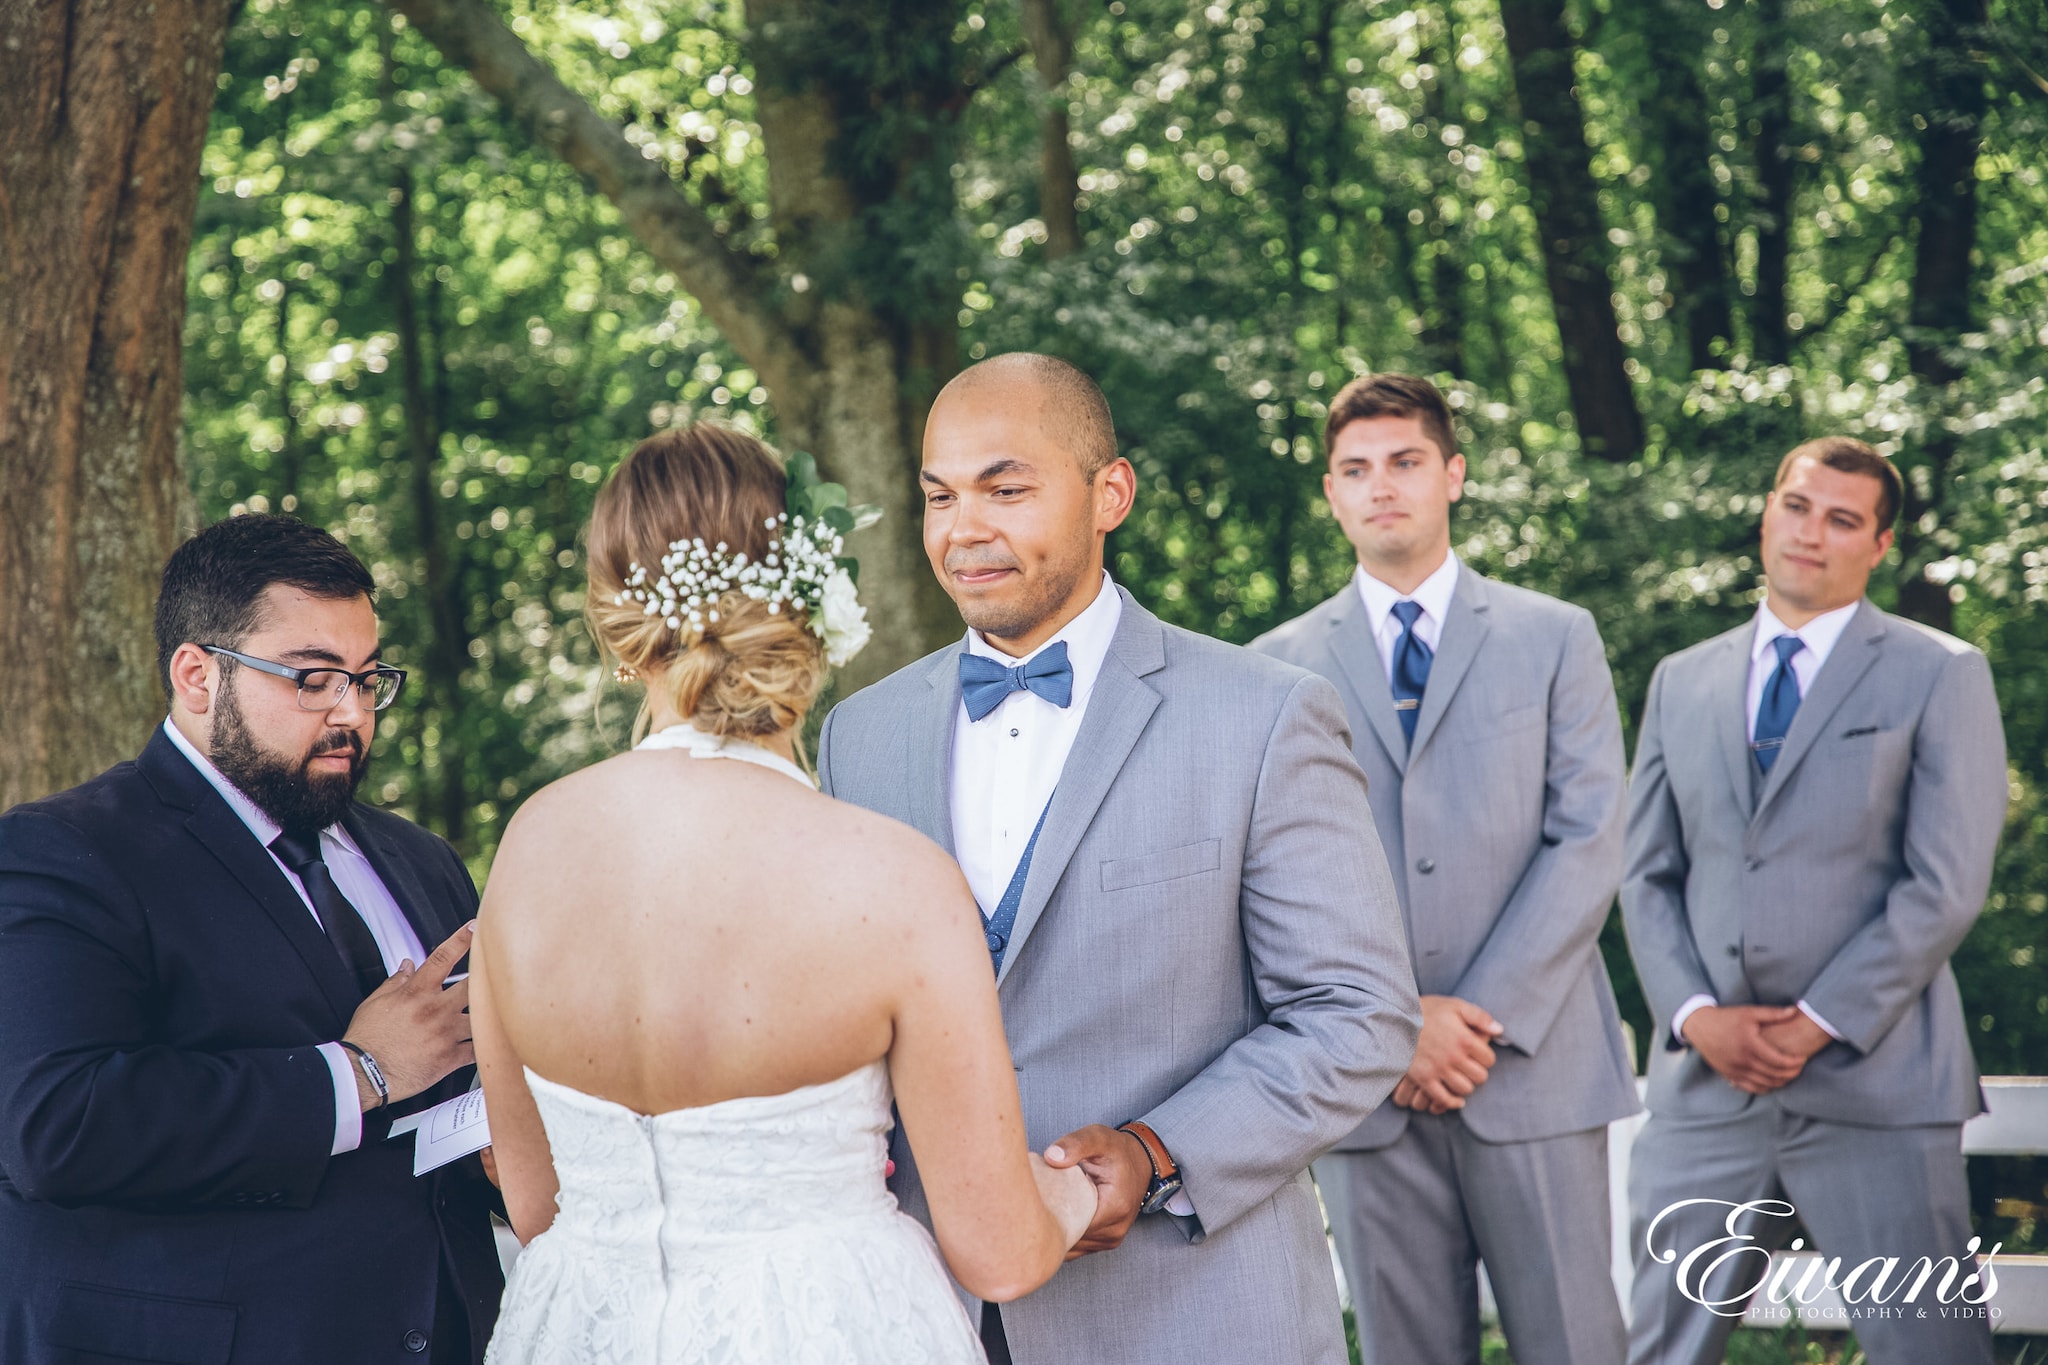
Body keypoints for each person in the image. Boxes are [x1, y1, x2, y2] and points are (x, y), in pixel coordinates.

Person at [817, 352, 1421, 1365]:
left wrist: (1156, 1154)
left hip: (1188, 1312)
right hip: (928, 1314)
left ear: (1110, 494)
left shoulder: (1262, 717)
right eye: (938, 496)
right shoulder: (855, 737)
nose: (964, 529)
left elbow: (1356, 1013)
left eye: (1005, 490)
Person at [473, 425, 1097, 1365]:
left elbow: (534, 1204)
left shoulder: (529, 849)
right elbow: (1000, 1250)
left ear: (614, 615)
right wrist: (1082, 1188)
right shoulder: (892, 877)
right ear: (812, 597)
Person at [0, 514, 502, 1365]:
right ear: (197, 674)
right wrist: (360, 1072)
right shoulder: (66, 851)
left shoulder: (421, 860)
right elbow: (56, 1128)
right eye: (312, 678)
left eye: (368, 676)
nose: (352, 711)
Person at [1251, 373, 1639, 1365]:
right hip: (1364, 1082)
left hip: (1533, 1071)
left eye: (1405, 462)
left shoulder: (1554, 637)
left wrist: (1476, 1017)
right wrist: (1395, 1024)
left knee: (1574, 1345)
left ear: (1452, 475)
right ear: (1330, 494)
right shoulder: (1270, 668)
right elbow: (1271, 879)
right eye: (1355, 469)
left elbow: (1590, 835)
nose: (1381, 486)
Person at [1620, 437, 2006, 1365]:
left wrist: (1818, 1021)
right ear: (1767, 513)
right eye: (1798, 506)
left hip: (1877, 1082)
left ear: (1877, 547)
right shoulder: (1683, 678)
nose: (1811, 532)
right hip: (1705, 1089)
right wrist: (1696, 1015)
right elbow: (1645, 873)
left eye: (1843, 519)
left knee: (1932, 1349)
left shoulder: (1939, 671)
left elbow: (1944, 882)